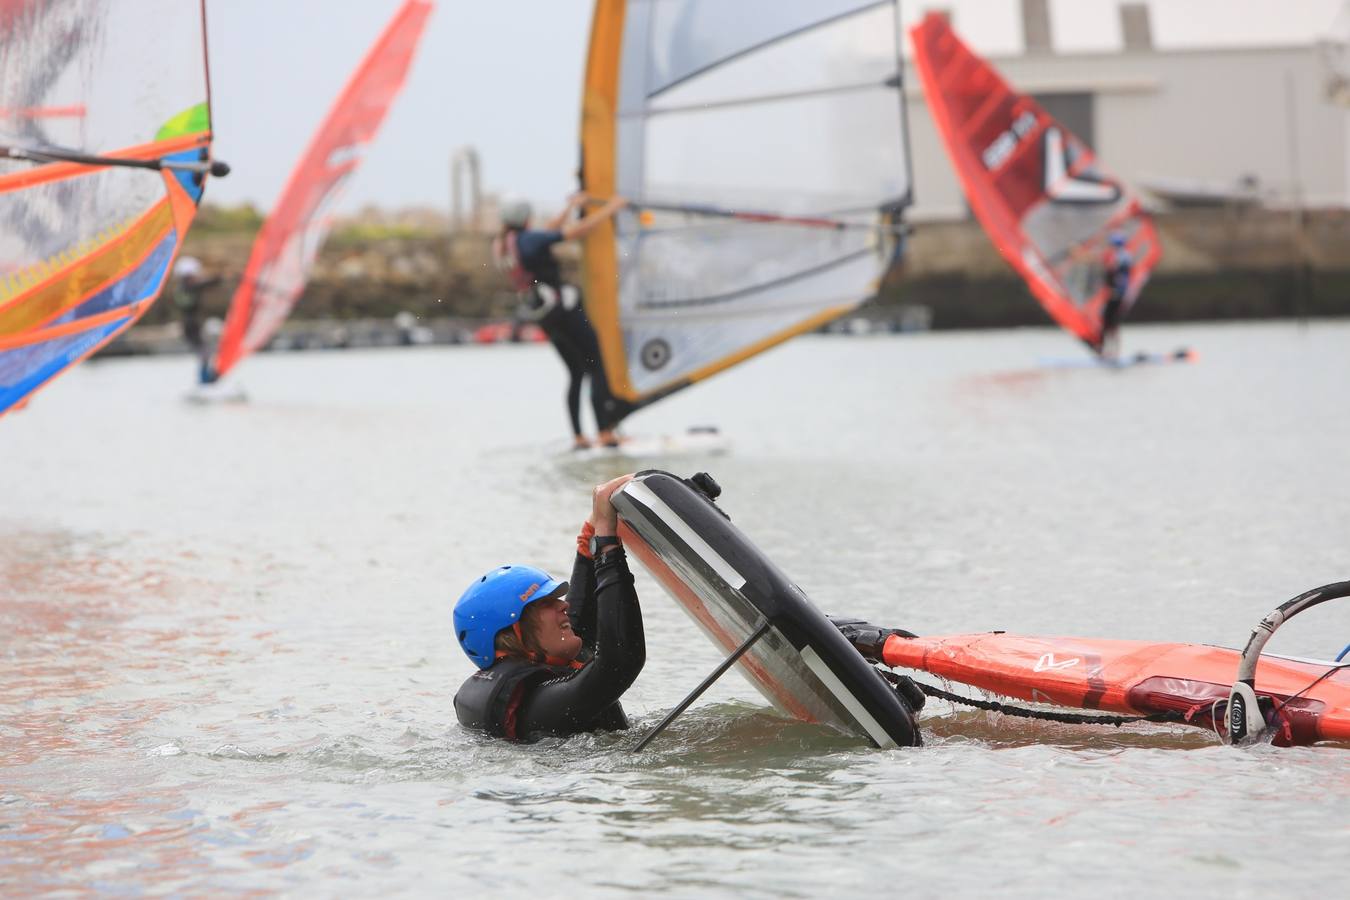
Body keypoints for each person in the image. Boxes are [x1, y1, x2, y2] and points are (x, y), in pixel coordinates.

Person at [452, 475, 645, 742]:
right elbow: (620, 661)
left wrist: (591, 534)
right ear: (513, 632)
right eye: (545, 603)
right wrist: (607, 546)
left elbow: (579, 620)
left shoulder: (547, 661)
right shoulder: (538, 708)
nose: (563, 605)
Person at [494, 192, 628, 449]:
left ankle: (579, 437)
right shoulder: (529, 240)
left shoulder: (505, 243)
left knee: (576, 372)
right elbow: (578, 231)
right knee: (597, 365)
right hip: (563, 311)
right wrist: (611, 208)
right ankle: (605, 433)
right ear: (526, 219)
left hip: (543, 316)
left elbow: (549, 232)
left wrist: (571, 206)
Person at [171, 256, 220, 351]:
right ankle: (205, 364)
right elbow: (205, 284)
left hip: (189, 322)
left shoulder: (182, 288)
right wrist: (218, 278)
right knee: (201, 348)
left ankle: (205, 363)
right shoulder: (187, 288)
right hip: (191, 323)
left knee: (200, 347)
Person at [1097, 230, 1133, 359]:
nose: (1110, 246)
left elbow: (1113, 269)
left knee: (1110, 322)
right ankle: (1108, 351)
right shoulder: (1121, 255)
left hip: (1117, 294)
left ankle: (1111, 353)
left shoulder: (1122, 256)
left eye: (1111, 244)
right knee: (1109, 322)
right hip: (1116, 293)